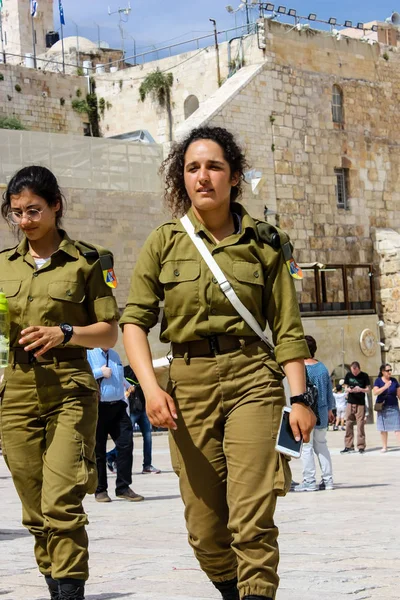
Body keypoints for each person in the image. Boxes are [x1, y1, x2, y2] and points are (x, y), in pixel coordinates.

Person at [120, 126, 316, 600]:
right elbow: (133, 323)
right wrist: (150, 389)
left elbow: (287, 329)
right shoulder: (163, 242)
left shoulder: (266, 244)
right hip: (187, 386)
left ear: (234, 176)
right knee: (206, 531)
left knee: (251, 517)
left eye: (214, 167)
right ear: (180, 178)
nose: (202, 177)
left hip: (253, 379)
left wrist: (300, 397)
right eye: (192, 168)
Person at [0, 166, 120, 600]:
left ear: (56, 206)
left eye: (33, 210)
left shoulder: (89, 262)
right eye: (16, 213)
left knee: (61, 504)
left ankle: (70, 594)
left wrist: (65, 333)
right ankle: (56, 588)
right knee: (34, 512)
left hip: (70, 388)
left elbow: (108, 332)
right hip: (16, 392)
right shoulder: (2, 267)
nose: (25, 221)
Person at [87, 347, 144, 503]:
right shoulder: (88, 353)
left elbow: (118, 376)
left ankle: (123, 487)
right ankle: (100, 490)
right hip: (99, 408)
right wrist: (99, 372)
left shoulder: (115, 355)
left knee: (126, 444)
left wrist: (126, 384)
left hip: (118, 406)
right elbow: (81, 376)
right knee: (98, 449)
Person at [295, 335, 335, 492]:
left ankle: (309, 481)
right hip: (323, 412)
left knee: (306, 447)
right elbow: (329, 392)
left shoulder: (301, 369)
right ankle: (328, 480)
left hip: (307, 412)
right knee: (322, 446)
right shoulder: (323, 368)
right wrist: (331, 410)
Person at [106, 365, 161, 474]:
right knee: (126, 439)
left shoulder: (145, 371)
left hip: (143, 408)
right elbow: (127, 385)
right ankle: (111, 456)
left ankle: (147, 465)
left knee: (148, 437)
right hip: (132, 409)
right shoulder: (127, 370)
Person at [341, 361, 370, 454]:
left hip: (360, 403)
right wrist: (349, 389)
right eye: (353, 372)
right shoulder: (348, 375)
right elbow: (345, 387)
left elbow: (368, 389)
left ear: (358, 368)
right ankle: (348, 446)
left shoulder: (364, 376)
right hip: (350, 402)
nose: (354, 374)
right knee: (348, 423)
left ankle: (361, 446)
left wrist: (360, 389)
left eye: (356, 372)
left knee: (360, 425)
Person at [372, 364, 400, 452]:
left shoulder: (394, 380)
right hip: (382, 407)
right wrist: (385, 387)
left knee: (398, 427)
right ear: (382, 372)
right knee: (383, 428)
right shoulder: (378, 381)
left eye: (390, 370)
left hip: (394, 406)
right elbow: (375, 392)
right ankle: (384, 447)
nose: (389, 372)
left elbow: (398, 394)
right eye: (387, 370)